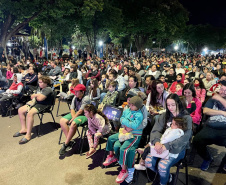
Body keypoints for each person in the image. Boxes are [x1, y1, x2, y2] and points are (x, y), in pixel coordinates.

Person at [144, 94, 192, 185]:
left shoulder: (186, 118)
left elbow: (184, 139)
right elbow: (156, 130)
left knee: (162, 166)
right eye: (168, 105)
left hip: (177, 149)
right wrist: (157, 142)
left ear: (178, 103)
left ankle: (163, 182)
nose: (170, 108)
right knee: (148, 162)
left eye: (173, 105)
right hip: (161, 145)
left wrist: (166, 146)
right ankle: (166, 176)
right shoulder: (165, 115)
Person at [102, 96, 145, 183]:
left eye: (132, 105)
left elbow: (134, 125)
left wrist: (127, 123)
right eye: (130, 104)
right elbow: (121, 119)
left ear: (138, 106)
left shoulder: (139, 114)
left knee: (124, 149)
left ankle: (124, 171)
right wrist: (128, 124)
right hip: (125, 132)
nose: (130, 106)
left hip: (135, 135)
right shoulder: (128, 110)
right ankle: (111, 156)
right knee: (110, 138)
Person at [193, 81, 226, 171]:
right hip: (210, 126)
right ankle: (207, 158)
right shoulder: (212, 100)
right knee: (196, 141)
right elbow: (205, 111)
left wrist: (219, 99)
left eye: (225, 90)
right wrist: (222, 112)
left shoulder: (218, 98)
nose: (222, 92)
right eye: (221, 89)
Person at [13, 76, 53, 144]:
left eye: (40, 82)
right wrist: (37, 95)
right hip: (36, 103)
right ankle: (23, 129)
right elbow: (32, 96)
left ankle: (28, 135)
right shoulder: (40, 88)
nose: (39, 83)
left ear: (46, 83)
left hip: (44, 105)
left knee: (30, 113)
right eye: (39, 82)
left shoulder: (48, 89)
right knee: (20, 110)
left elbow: (40, 99)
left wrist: (36, 95)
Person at [59, 84, 90, 155]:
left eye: (77, 91)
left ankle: (66, 144)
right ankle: (69, 141)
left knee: (73, 124)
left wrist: (73, 119)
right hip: (76, 114)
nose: (75, 93)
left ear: (82, 92)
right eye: (75, 91)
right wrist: (73, 117)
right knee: (62, 120)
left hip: (85, 115)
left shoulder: (86, 98)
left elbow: (81, 111)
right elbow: (72, 108)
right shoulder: (75, 97)